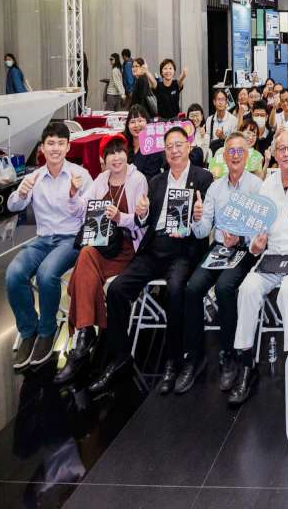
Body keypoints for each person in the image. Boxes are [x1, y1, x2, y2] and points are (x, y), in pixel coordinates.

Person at [90, 126, 213, 394]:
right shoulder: (156, 181)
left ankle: (175, 360)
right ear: (164, 151)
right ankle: (121, 357)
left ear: (189, 146)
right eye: (169, 147)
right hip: (153, 247)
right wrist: (143, 213)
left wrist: (198, 215)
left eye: (179, 145)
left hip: (184, 249)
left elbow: (207, 222)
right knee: (117, 289)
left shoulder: (203, 178)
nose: (174, 151)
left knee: (175, 290)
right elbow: (142, 221)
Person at [231, 130, 288, 405]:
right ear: (273, 153)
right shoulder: (267, 185)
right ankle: (246, 363)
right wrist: (256, 245)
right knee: (247, 288)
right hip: (273, 253)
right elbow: (257, 229)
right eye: (281, 149)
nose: (286, 153)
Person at [54, 134, 148, 384]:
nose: (116, 157)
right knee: (86, 253)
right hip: (103, 244)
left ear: (127, 155)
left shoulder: (138, 179)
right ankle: (86, 331)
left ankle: (81, 339)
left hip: (127, 247)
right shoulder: (100, 179)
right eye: (110, 153)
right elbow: (81, 209)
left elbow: (141, 222)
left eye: (120, 152)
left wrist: (120, 217)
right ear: (104, 159)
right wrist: (73, 194)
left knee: (80, 278)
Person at [178, 133, 263, 394]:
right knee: (192, 289)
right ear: (224, 156)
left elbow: (262, 230)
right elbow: (204, 231)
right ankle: (195, 355)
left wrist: (241, 237)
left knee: (225, 288)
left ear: (246, 156)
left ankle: (230, 354)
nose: (235, 156)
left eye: (239, 152)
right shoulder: (215, 188)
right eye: (231, 152)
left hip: (245, 250)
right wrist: (197, 218)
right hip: (219, 249)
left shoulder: (256, 186)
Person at [7, 123, 92, 370]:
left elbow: (92, 210)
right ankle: (28, 331)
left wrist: (75, 194)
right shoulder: (34, 177)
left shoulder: (80, 174)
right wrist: (21, 194)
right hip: (42, 239)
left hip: (70, 239)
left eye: (60, 143)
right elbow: (12, 206)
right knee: (14, 274)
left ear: (68, 147)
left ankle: (47, 331)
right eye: (50, 143)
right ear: (42, 148)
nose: (55, 148)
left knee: (46, 274)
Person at [124, 105, 165, 182]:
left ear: (147, 123)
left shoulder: (153, 147)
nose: (136, 125)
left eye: (140, 121)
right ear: (127, 125)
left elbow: (150, 177)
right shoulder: (124, 145)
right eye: (132, 122)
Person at [205, 89, 238, 154]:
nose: (220, 102)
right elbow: (207, 141)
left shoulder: (233, 120)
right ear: (214, 102)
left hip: (228, 153)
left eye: (223, 99)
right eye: (218, 99)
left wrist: (223, 137)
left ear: (226, 102)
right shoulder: (209, 120)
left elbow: (235, 142)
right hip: (213, 155)